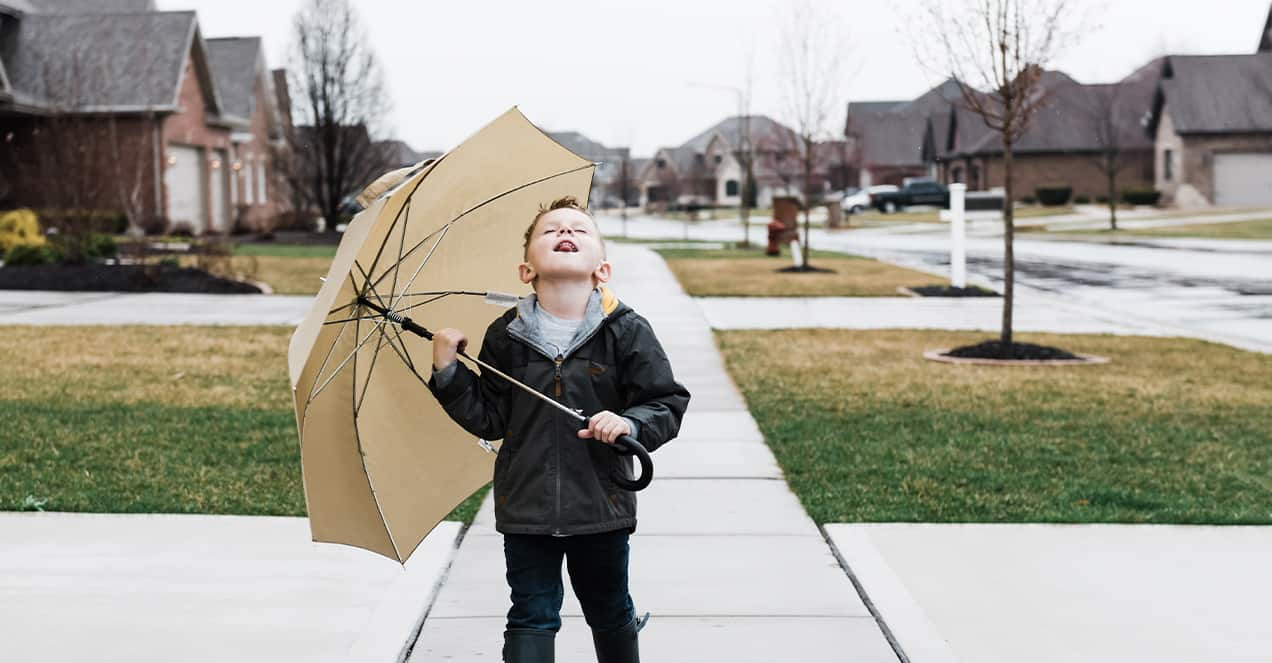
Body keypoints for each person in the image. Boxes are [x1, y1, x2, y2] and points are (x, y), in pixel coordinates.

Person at [428, 196, 691, 663]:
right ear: (525, 270)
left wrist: (629, 422)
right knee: (532, 614)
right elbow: (491, 417)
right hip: (527, 508)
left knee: (608, 608)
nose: (565, 232)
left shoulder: (625, 331)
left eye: (579, 229)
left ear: (602, 270)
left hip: (600, 505)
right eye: (549, 231)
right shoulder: (505, 335)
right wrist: (449, 373)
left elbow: (666, 402)